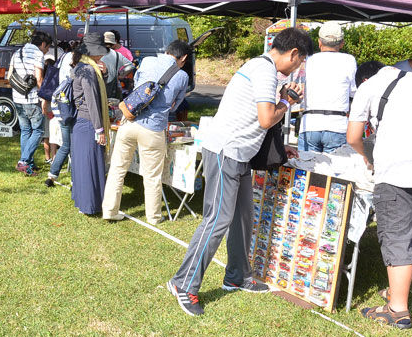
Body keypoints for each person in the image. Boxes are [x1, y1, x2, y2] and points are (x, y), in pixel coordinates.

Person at [166, 28, 310, 316]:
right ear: (293, 53)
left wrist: (280, 141)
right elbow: (266, 118)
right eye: (300, 61)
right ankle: (183, 283)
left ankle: (237, 276)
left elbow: (256, 118)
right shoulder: (265, 71)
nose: (298, 68)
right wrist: (287, 102)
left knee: (243, 217)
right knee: (217, 219)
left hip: (240, 154)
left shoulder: (263, 68)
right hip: (226, 152)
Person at [346, 60, 412, 329]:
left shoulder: (370, 87)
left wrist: (370, 156)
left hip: (396, 170)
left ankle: (397, 310)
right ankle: (396, 292)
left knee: (396, 234)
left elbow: (353, 136)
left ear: (364, 80)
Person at [102, 40, 192, 225]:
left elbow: (137, 87)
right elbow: (175, 105)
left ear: (167, 51)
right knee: (152, 176)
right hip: (153, 128)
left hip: (129, 121)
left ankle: (109, 210)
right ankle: (154, 216)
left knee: (117, 169)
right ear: (183, 58)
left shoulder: (147, 61)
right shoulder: (182, 76)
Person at [298, 21, 357, 153]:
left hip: (310, 123)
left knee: (307, 165)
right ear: (342, 43)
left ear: (319, 42)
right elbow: (354, 91)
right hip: (337, 124)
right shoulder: (349, 60)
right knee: (335, 166)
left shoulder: (309, 60)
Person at [70, 33, 110, 215]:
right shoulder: (88, 70)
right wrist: (99, 129)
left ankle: (84, 202)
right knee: (89, 166)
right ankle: (90, 205)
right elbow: (92, 101)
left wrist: (105, 73)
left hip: (81, 122)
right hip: (88, 123)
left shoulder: (81, 66)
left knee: (83, 165)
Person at [9, 31, 51, 176]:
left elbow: (9, 76)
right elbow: (39, 79)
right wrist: (44, 99)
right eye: (47, 48)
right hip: (32, 99)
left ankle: (29, 166)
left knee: (25, 130)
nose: (46, 51)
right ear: (43, 44)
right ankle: (24, 161)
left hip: (17, 98)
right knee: (38, 131)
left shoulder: (17, 52)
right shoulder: (37, 54)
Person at [46, 45, 77, 188]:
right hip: (72, 111)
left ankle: (52, 176)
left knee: (65, 145)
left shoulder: (63, 57)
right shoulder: (77, 70)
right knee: (74, 147)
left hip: (62, 109)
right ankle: (75, 181)